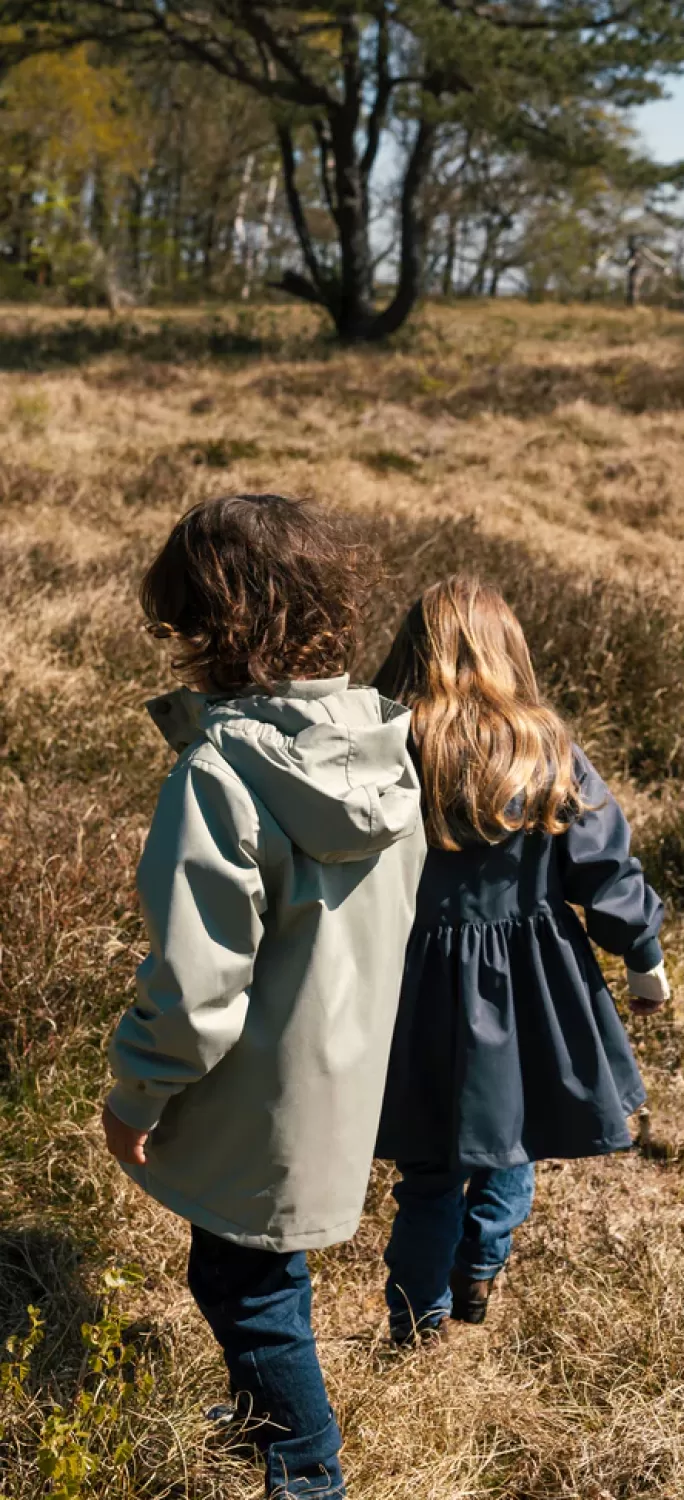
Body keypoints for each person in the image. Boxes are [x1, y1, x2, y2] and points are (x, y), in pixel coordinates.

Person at [101, 494, 426, 1498]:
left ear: (211, 625)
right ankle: (258, 1420)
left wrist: (135, 1094)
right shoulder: (381, 742)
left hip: (257, 1088)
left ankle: (306, 1469)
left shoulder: (222, 772)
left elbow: (200, 986)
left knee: (246, 1288)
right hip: (344, 1070)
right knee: (261, 1272)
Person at [372, 575, 670, 1345]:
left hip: (411, 985)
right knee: (513, 1139)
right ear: (512, 652)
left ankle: (416, 1324)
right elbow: (604, 872)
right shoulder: (546, 747)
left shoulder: (385, 745)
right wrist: (643, 956)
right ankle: (479, 1266)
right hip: (529, 982)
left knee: (428, 1169)